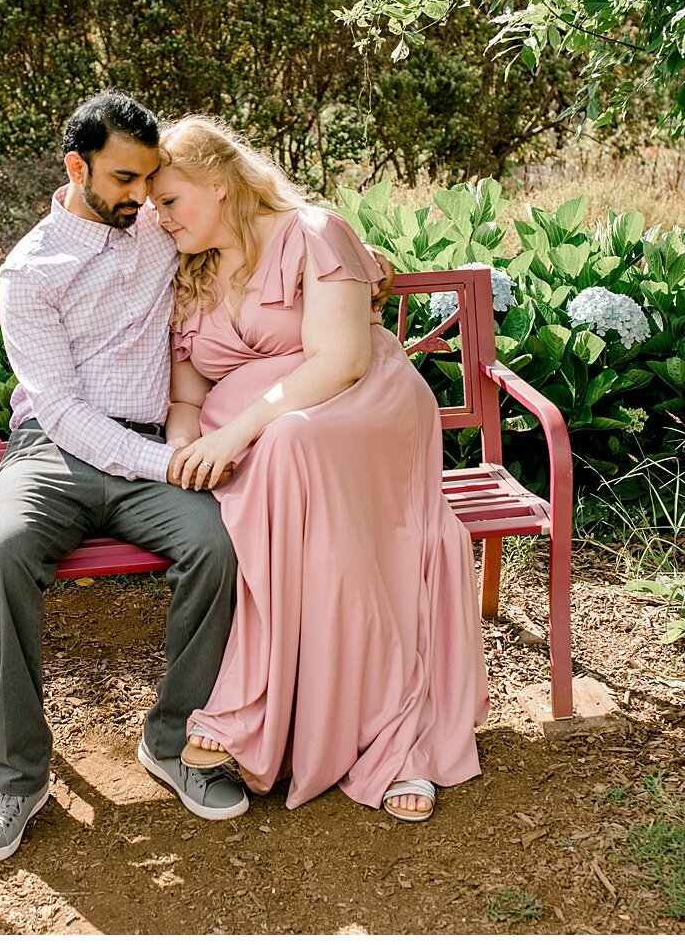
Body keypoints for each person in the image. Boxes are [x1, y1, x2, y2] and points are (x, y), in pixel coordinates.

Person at [149, 115, 489, 822]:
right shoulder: (185, 271)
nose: (161, 216)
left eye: (171, 200)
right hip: (260, 441)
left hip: (358, 409)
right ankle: (295, 711)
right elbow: (187, 395)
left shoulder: (312, 232)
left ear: (218, 183)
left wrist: (233, 435)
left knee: (290, 445)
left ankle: (368, 733)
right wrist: (183, 446)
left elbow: (342, 360)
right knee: (284, 456)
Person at [0, 92, 249, 865]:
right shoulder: (31, 270)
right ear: (75, 167)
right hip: (54, 453)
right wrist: (170, 464)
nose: (140, 195)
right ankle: (18, 776)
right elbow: (60, 409)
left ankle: (176, 741)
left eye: (148, 178)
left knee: (219, 547)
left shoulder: (160, 226)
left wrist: (346, 255)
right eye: (124, 178)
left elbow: (248, 206)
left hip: (153, 446)